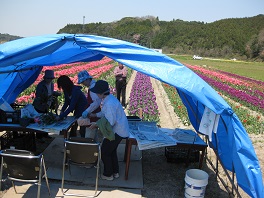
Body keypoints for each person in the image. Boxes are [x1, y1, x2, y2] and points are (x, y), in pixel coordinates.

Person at [89, 80, 129, 181]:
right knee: (112, 151)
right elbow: (104, 114)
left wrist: (96, 124)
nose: (96, 94)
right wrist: (95, 115)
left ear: (101, 93)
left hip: (117, 131)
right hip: (119, 129)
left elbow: (110, 121)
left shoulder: (109, 103)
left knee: (105, 152)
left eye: (97, 92)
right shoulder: (108, 99)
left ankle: (108, 174)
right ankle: (115, 172)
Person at [33, 70, 59, 142]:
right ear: (45, 78)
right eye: (48, 78)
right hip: (40, 105)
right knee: (40, 121)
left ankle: (45, 134)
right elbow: (38, 96)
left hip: (47, 105)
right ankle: (39, 137)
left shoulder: (51, 84)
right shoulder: (41, 85)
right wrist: (44, 101)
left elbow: (50, 92)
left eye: (51, 78)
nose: (49, 80)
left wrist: (55, 94)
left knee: (46, 120)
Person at [77, 70, 101, 139]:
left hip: (93, 114)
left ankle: (90, 149)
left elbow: (96, 102)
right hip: (94, 114)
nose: (82, 84)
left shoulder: (92, 88)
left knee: (89, 138)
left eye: (83, 81)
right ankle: (95, 148)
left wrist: (87, 111)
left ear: (87, 79)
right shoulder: (93, 85)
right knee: (94, 136)